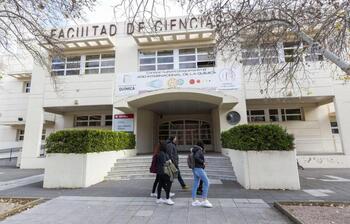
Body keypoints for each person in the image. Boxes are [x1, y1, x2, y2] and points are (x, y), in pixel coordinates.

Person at [191, 141, 212, 208]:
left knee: (195, 184)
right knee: (207, 182)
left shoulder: (194, 149)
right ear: (202, 145)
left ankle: (194, 201)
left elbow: (195, 157)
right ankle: (204, 200)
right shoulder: (199, 150)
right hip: (199, 169)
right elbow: (196, 157)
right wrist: (203, 162)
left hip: (194, 168)